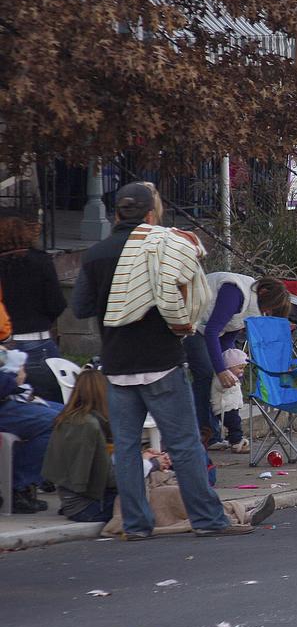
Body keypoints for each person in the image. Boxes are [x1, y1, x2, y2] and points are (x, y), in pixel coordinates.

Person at [71, 181, 252, 539]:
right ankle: (208, 519)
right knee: (184, 444)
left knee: (126, 449)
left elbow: (80, 307)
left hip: (117, 365)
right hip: (162, 362)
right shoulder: (163, 249)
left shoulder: (96, 254)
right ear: (151, 215)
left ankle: (136, 525)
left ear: (117, 214)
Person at [41, 369, 274, 528]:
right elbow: (109, 477)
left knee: (167, 484)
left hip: (80, 500)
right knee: (167, 495)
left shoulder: (72, 420)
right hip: (88, 506)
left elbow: (95, 466)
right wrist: (151, 464)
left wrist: (141, 457)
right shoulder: (88, 426)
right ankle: (238, 514)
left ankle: (234, 510)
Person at [185, 273, 290, 453]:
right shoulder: (235, 292)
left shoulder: (252, 306)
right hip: (189, 323)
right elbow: (212, 330)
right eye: (269, 310)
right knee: (205, 375)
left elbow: (227, 337)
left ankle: (217, 435)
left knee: (222, 381)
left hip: (207, 331)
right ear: (263, 292)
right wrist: (220, 369)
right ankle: (204, 435)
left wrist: (230, 367)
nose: (267, 314)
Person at [0, 217, 67, 402]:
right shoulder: (41, 261)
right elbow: (57, 304)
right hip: (38, 341)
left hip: (5, 348)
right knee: (52, 407)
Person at [0, 348, 60, 513]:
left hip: (11, 399)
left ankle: (26, 481)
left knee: (72, 414)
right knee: (59, 423)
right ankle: (17, 484)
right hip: (5, 403)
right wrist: (14, 376)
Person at [211, 349, 248, 453]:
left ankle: (232, 439)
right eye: (240, 368)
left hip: (231, 407)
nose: (242, 371)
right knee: (235, 423)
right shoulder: (222, 377)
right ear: (229, 367)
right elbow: (220, 387)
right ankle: (236, 441)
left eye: (243, 368)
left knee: (233, 423)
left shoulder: (233, 377)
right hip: (224, 408)